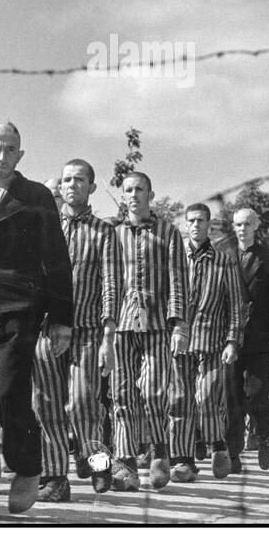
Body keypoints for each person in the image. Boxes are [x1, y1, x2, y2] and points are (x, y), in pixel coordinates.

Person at [0, 122, 73, 520]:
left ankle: (27, 465)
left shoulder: (36, 196)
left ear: (20, 155)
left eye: (10, 150)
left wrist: (60, 319)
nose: (2, 157)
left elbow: (56, 260)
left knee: (7, 392)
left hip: (20, 308)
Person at [31, 158, 121, 500]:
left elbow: (111, 284)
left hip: (86, 330)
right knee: (47, 404)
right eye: (67, 179)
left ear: (92, 187)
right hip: (45, 330)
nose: (71, 185)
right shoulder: (44, 227)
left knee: (83, 403)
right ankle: (56, 479)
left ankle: (98, 465)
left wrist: (108, 335)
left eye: (79, 180)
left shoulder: (104, 232)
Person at [110, 172, 188, 491]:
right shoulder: (113, 235)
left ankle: (158, 452)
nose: (133, 195)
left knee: (154, 390)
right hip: (122, 323)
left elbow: (178, 281)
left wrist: (179, 324)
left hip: (157, 323)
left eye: (139, 189)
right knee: (122, 391)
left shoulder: (169, 233)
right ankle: (125, 463)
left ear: (151, 194)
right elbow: (109, 281)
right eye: (127, 190)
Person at [169, 203, 242, 481]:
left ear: (209, 224)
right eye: (191, 221)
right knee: (179, 400)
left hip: (212, 340)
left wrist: (233, 340)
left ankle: (218, 446)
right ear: (185, 225)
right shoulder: (174, 260)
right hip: (179, 341)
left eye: (200, 220)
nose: (196, 225)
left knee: (209, 397)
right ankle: (183, 460)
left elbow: (236, 305)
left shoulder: (224, 261)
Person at [223, 208, 269, 472]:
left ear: (256, 226)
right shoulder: (224, 256)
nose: (242, 229)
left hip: (261, 338)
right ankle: (233, 452)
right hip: (231, 337)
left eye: (247, 224)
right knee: (232, 397)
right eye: (238, 224)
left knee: (257, 393)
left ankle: (263, 437)